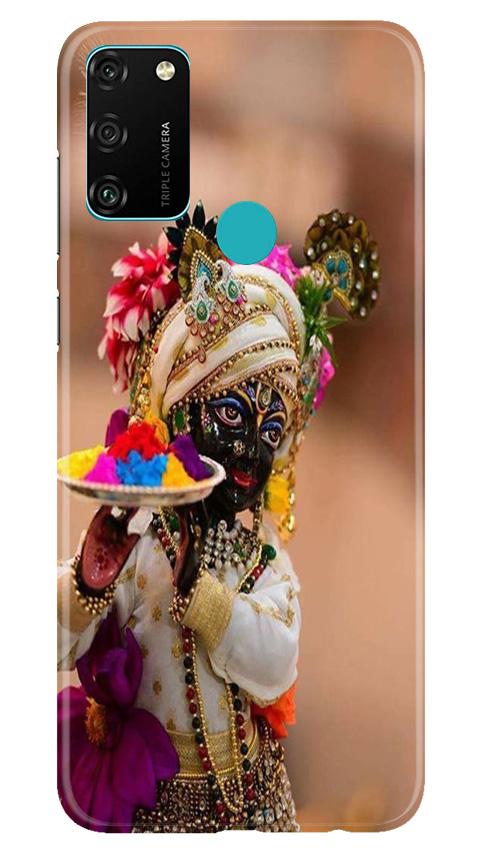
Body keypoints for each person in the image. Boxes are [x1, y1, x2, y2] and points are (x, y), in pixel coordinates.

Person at [57, 203, 380, 832]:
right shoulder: (136, 545)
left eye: (271, 430)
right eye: (232, 416)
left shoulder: (262, 561)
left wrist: (202, 597)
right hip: (149, 811)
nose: (251, 451)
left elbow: (276, 666)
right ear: (180, 414)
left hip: (251, 809)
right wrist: (88, 583)